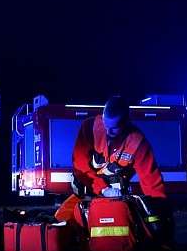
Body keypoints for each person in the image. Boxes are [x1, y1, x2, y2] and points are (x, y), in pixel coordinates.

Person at [55, 96, 166, 225]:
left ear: (126, 123)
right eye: (105, 124)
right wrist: (102, 189)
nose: (107, 131)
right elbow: (80, 165)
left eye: (113, 128)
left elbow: (151, 181)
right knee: (61, 219)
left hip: (117, 195)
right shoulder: (89, 128)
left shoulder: (137, 142)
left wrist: (160, 209)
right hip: (88, 190)